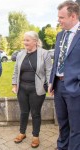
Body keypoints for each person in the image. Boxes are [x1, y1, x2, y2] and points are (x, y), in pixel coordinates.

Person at [48, 1, 80, 150]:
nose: (58, 20)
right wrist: (51, 81)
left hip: (75, 88)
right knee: (62, 122)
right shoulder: (60, 35)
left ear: (73, 16)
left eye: (61, 17)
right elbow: (57, 60)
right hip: (59, 86)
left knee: (76, 126)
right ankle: (62, 147)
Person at [12, 31, 52, 148]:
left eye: (27, 40)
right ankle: (22, 133)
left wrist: (50, 85)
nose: (25, 42)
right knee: (23, 112)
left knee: (35, 113)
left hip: (37, 89)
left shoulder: (44, 54)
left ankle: (35, 136)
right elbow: (16, 70)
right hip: (22, 88)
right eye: (24, 40)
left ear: (35, 41)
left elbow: (49, 71)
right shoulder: (20, 54)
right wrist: (14, 84)